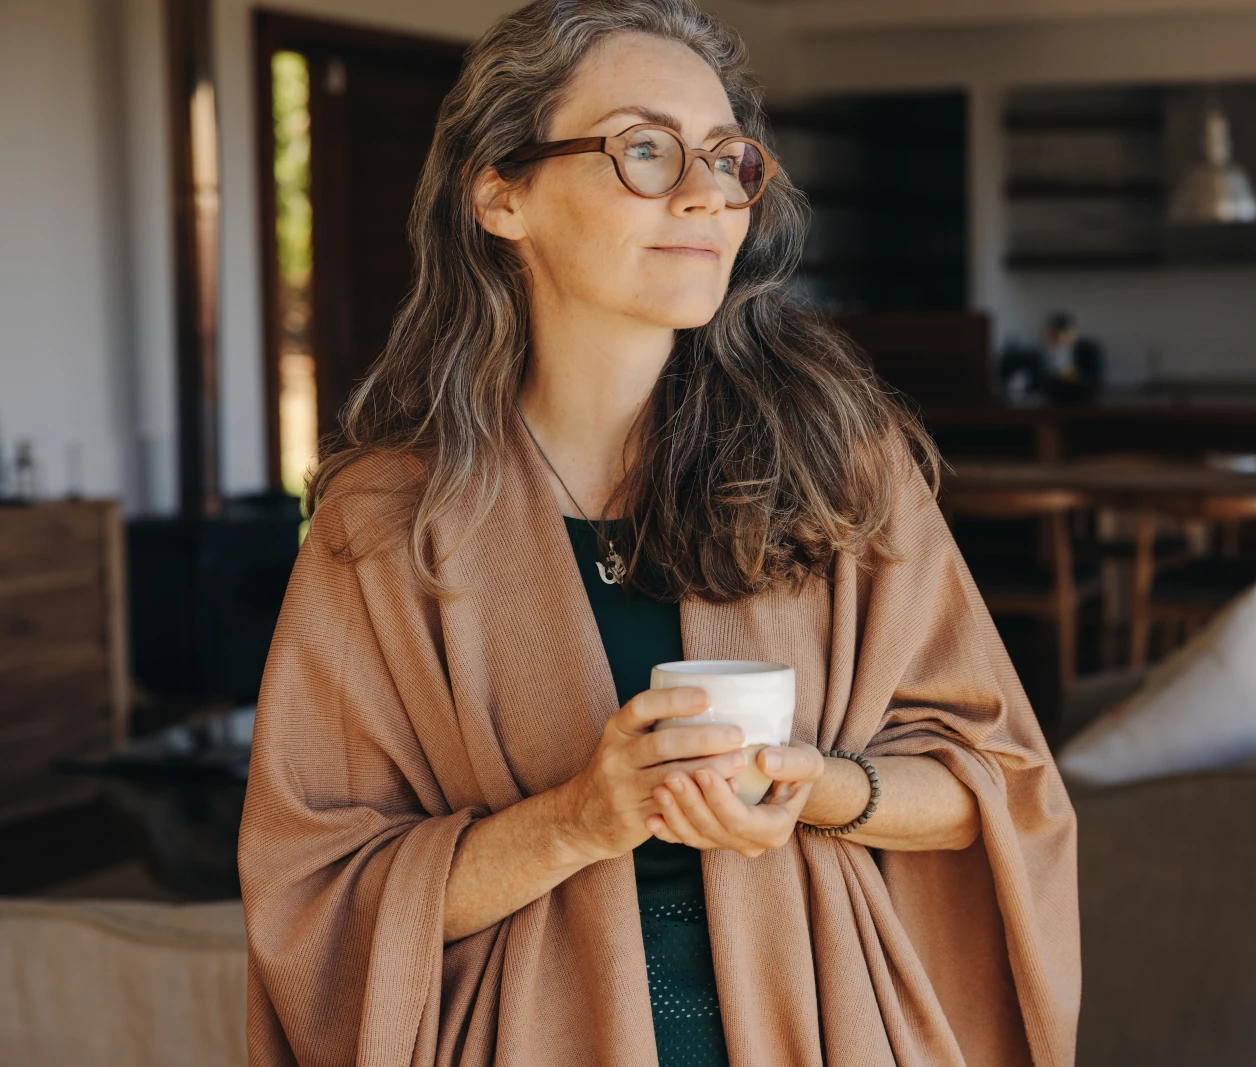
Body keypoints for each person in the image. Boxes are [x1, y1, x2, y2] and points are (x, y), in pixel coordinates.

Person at [238, 2, 1081, 1064]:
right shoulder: (388, 520)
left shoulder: (834, 461)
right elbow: (319, 896)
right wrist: (580, 818)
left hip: (826, 1027)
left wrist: (816, 786)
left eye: (727, 158)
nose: (705, 194)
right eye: (644, 149)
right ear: (501, 192)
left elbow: (993, 785)